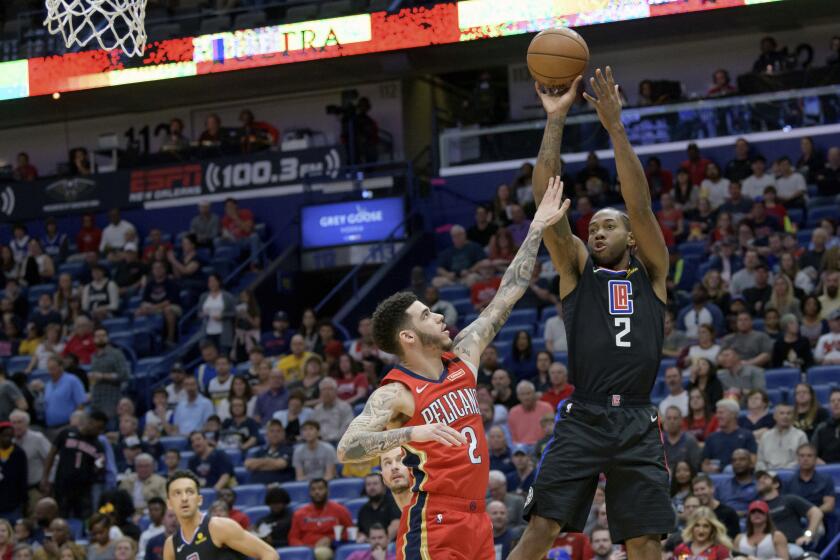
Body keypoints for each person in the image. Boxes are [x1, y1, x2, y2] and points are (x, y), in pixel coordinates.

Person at [337, 178, 570, 559]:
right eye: (427, 315)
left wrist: (536, 228)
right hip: (435, 521)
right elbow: (348, 449)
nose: (441, 316)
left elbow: (507, 294)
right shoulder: (396, 393)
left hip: (477, 521)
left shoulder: (464, 357)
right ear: (409, 337)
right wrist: (415, 430)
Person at [506, 68, 675, 560]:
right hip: (584, 416)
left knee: (644, 542)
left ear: (630, 237)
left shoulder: (653, 273)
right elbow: (546, 203)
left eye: (607, 227)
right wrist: (555, 120)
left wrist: (615, 128)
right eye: (593, 227)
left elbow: (639, 206)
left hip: (639, 419)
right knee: (541, 529)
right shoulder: (578, 269)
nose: (597, 232)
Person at [163, 470, 278, 560]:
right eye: (177, 493)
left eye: (190, 492)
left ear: (199, 500)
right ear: (169, 504)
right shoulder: (171, 545)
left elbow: (269, 554)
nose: (184, 498)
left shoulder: (219, 527)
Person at [41, 410, 107, 519]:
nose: (100, 431)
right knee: (60, 516)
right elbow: (51, 455)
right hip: (62, 485)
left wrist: (98, 467)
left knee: (82, 518)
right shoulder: (66, 433)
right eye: (98, 427)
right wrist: (45, 477)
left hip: (82, 489)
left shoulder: (98, 445)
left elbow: (99, 467)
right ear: (91, 422)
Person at [755, 470, 822, 554]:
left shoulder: (789, 500)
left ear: (776, 484)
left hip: (790, 545)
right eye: (759, 479)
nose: (760, 481)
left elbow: (816, 513)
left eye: (765, 478)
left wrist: (807, 535)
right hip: (765, 548)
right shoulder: (756, 506)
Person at [702, 399, 757, 473]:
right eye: (717, 413)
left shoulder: (747, 436)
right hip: (718, 478)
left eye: (721, 413)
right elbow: (704, 465)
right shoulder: (712, 438)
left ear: (733, 414)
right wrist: (708, 469)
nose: (718, 416)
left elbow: (752, 462)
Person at [89, 328, 130, 420]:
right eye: (97, 336)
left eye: (103, 336)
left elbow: (124, 375)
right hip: (96, 398)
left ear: (108, 338)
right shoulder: (93, 356)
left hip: (111, 398)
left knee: (109, 425)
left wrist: (103, 376)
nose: (100, 338)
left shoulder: (116, 354)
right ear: (94, 339)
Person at [787, 443, 836, 518]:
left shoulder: (826, 480)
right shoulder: (788, 481)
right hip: (795, 518)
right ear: (798, 459)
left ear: (815, 459)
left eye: (809, 456)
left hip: (817, 517)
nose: (805, 459)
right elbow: (785, 504)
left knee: (818, 528)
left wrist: (813, 513)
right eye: (802, 456)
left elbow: (829, 505)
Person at [755, 403, 806, 471]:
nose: (785, 416)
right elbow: (760, 461)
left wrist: (784, 472)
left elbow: (802, 460)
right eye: (781, 413)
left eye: (788, 413)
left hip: (791, 474)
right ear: (775, 416)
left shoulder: (800, 435)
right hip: (768, 475)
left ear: (793, 417)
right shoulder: (766, 436)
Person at [244, 419, 294, 485]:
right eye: (271, 431)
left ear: (283, 434)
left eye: (278, 431)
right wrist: (270, 462)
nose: (275, 434)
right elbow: (248, 465)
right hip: (256, 489)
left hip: (279, 489)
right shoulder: (260, 451)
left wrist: (258, 465)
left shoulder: (289, 450)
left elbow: (280, 464)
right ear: (266, 435)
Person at [198, 274, 236, 356]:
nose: (211, 284)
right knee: (211, 355)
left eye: (213, 281)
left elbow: (234, 312)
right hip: (208, 332)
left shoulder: (227, 296)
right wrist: (202, 315)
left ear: (219, 282)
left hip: (223, 331)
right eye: (209, 282)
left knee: (223, 355)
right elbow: (199, 312)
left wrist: (223, 316)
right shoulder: (204, 296)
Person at [356, 473, 401, 542]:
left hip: (392, 547)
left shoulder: (394, 503)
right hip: (369, 548)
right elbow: (360, 531)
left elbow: (396, 525)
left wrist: (380, 542)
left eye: (375, 484)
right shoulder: (363, 509)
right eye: (368, 484)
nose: (372, 487)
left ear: (383, 486)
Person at [507, 380, 554, 446]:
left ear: (534, 394)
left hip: (542, 445)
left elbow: (552, 432)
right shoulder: (513, 412)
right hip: (521, 448)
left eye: (528, 393)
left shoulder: (546, 408)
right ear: (518, 397)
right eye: (522, 394)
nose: (526, 397)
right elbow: (512, 438)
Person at [309, 377, 353, 445]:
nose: (327, 392)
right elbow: (312, 429)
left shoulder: (345, 407)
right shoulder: (317, 409)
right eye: (324, 389)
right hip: (319, 444)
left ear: (336, 391)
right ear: (320, 393)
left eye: (330, 389)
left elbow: (347, 429)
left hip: (338, 443)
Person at [715, 449, 757, 515]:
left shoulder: (759, 485)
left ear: (751, 463)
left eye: (742, 459)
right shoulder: (722, 485)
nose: (737, 463)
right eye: (734, 460)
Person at [0, 421, 27, 521]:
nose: (7, 438)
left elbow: (23, 478)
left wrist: (23, 501)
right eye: (4, 435)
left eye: (10, 436)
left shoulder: (18, 453)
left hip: (13, 504)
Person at [662, 406, 702, 472]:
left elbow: (695, 466)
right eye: (669, 418)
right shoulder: (658, 441)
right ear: (664, 420)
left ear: (681, 421)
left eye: (675, 418)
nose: (672, 421)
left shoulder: (690, 441)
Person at [812, 388, 840, 463]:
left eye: (839, 400)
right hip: (826, 470)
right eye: (832, 401)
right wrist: (816, 459)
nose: (836, 403)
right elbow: (811, 453)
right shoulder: (821, 428)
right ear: (829, 406)